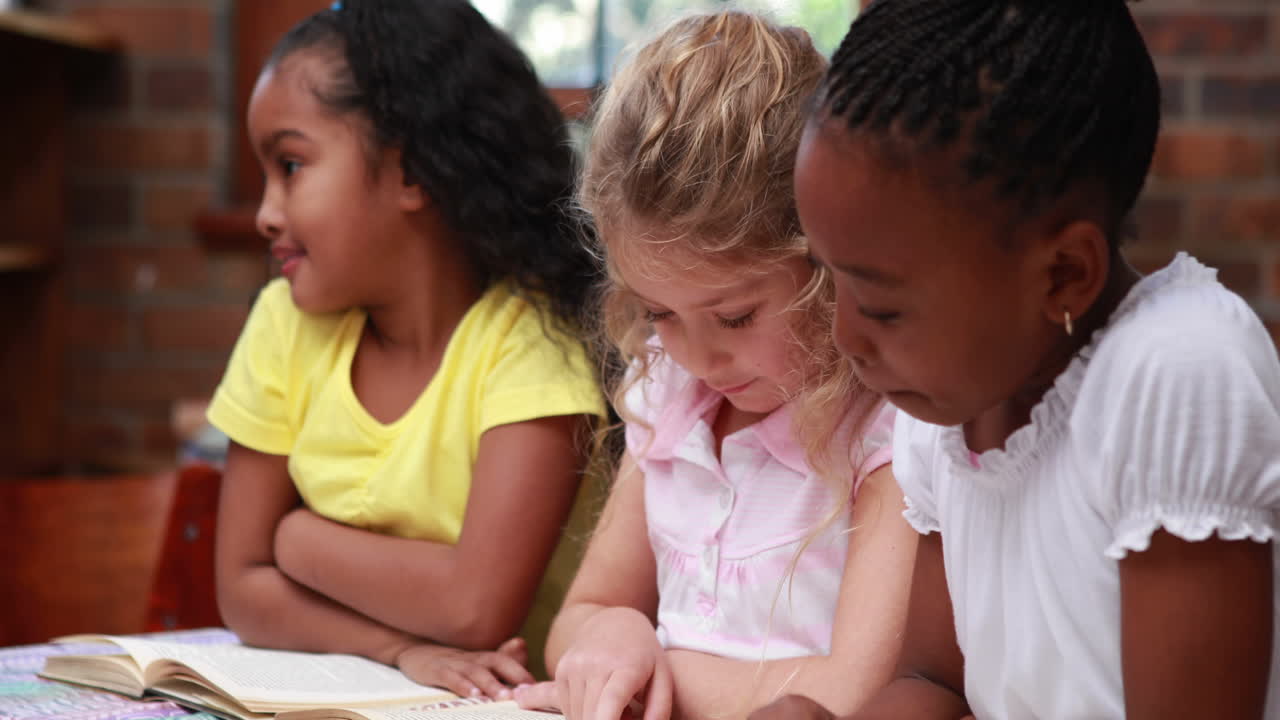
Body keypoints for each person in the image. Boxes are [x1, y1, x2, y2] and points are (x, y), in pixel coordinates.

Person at [754, 0, 1280, 718]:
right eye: (829, 277)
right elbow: (933, 684)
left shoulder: (1174, 372)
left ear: (1063, 274)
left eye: (881, 306)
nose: (845, 336)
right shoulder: (944, 410)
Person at [513, 12, 917, 720]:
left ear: (826, 262)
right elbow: (585, 616)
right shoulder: (671, 393)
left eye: (734, 317)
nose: (698, 358)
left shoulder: (891, 430)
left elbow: (854, 694)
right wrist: (611, 632)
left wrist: (652, 674)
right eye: (658, 313)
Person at [207, 0, 605, 700]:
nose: (267, 211)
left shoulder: (532, 341)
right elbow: (240, 588)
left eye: (292, 165)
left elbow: (474, 609)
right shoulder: (283, 322)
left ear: (412, 172)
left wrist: (296, 540)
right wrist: (398, 648)